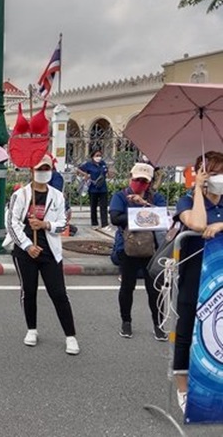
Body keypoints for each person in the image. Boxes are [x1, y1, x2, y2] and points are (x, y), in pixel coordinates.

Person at [6, 154, 80, 355]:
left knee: (58, 293)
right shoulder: (20, 195)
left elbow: (63, 223)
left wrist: (46, 224)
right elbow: (11, 224)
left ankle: (70, 336)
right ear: (32, 171)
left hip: (50, 252)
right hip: (25, 252)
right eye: (39, 169)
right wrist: (28, 245)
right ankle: (32, 329)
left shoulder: (57, 195)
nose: (43, 172)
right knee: (28, 291)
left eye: (47, 168)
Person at [173, 151, 223, 412]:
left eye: (221, 173)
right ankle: (183, 387)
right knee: (187, 330)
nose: (218, 178)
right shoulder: (186, 201)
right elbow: (198, 223)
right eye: (212, 174)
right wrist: (199, 191)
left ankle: (215, 383)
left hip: (220, 278)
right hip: (194, 278)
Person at [109, 163, 167, 340]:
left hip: (152, 250)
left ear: (149, 183)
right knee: (127, 287)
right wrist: (139, 213)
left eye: (144, 181)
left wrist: (144, 205)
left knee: (154, 289)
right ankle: (126, 322)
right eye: (137, 180)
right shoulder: (120, 196)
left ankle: (158, 324)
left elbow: (162, 218)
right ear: (130, 178)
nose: (140, 183)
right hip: (128, 248)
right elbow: (115, 218)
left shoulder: (156, 198)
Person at [78, 149, 109, 229]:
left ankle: (104, 224)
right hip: (93, 188)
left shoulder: (103, 163)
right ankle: (94, 223)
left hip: (103, 188)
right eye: (97, 156)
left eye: (100, 156)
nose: (99, 157)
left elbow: (106, 171)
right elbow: (78, 169)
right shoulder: (88, 164)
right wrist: (85, 174)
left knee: (103, 206)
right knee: (93, 206)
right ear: (92, 157)